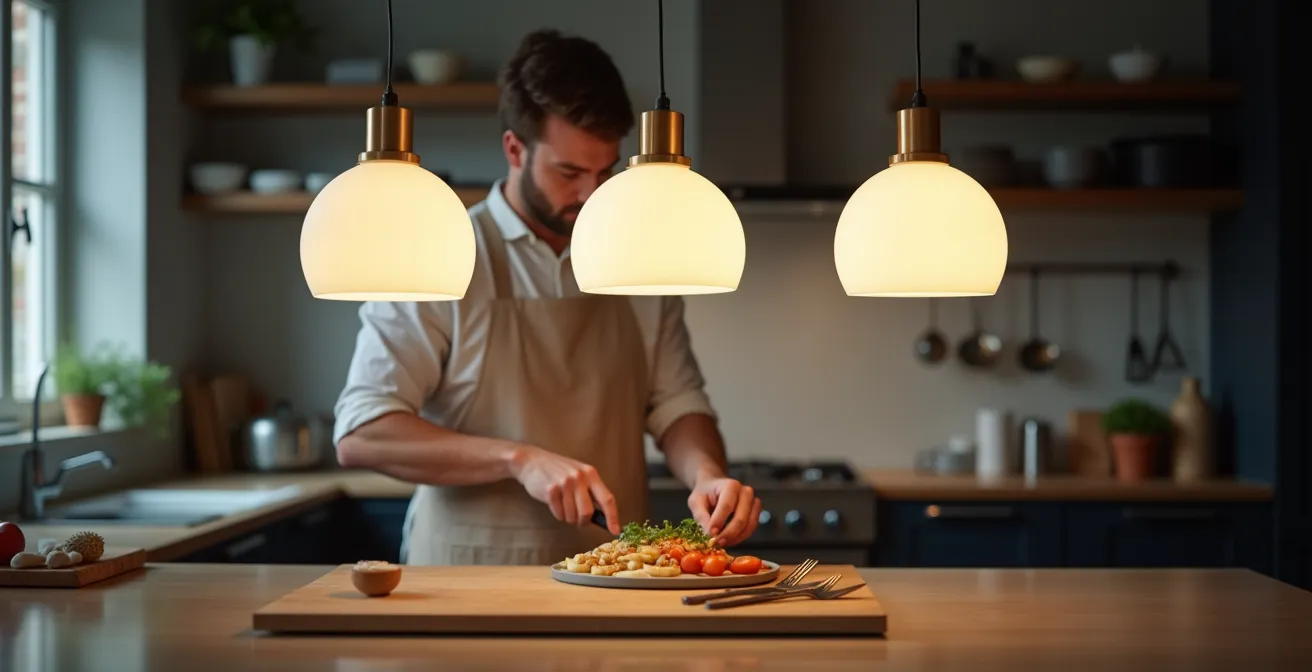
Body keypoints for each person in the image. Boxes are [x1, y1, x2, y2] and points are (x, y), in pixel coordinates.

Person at [331, 29, 760, 566]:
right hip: (463, 578)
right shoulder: (441, 253)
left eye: (605, 171)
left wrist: (708, 474)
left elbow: (677, 403)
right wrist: (518, 459)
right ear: (514, 148)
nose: (591, 193)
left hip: (615, 572)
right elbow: (363, 432)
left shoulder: (639, 257)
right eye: (569, 172)